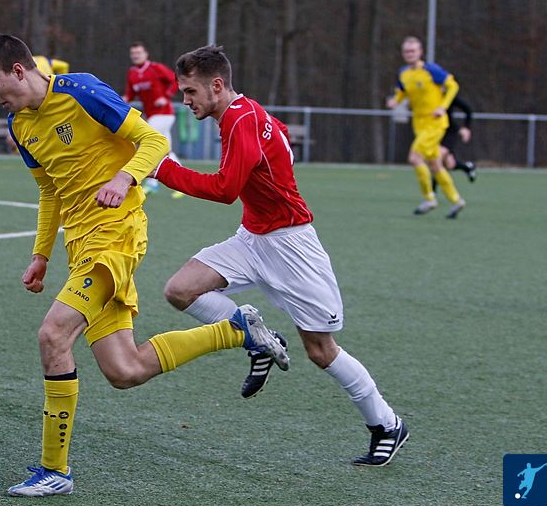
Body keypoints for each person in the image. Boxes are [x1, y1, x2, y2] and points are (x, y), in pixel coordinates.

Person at [0, 33, 289, 498]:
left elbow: (153, 140)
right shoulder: (20, 125)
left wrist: (124, 178)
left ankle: (54, 470)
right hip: (81, 245)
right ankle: (237, 330)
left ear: (18, 70)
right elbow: (49, 191)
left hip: (116, 236)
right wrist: (41, 255)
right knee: (125, 370)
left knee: (53, 335)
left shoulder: (80, 91)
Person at [153, 45, 408, 467]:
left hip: (292, 247)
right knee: (180, 290)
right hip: (253, 238)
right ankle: (255, 338)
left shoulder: (239, 119)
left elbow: (224, 190)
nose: (185, 100)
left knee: (321, 351)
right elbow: (281, 134)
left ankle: (387, 424)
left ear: (216, 86)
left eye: (190, 91)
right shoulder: (245, 112)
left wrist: (162, 169)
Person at [387, 36, 466, 219]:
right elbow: (402, 92)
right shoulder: (403, 73)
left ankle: (430, 198)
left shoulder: (431, 70)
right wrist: (395, 101)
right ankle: (456, 200)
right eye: (406, 51)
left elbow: (453, 85)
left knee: (414, 158)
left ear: (420, 52)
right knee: (435, 164)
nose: (409, 54)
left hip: (435, 123)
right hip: (419, 124)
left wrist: (443, 107)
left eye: (413, 51)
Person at [123, 42, 183, 197]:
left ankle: (152, 183)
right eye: (133, 53)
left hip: (164, 113)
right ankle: (182, 181)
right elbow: (130, 94)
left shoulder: (155, 68)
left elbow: (175, 80)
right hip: (152, 115)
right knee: (166, 150)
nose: (136, 56)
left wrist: (166, 97)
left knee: (149, 143)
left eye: (138, 53)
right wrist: (124, 99)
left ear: (146, 54)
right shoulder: (132, 73)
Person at [438, 96, 477, 182]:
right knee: (450, 164)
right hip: (434, 132)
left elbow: (468, 110)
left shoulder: (448, 96)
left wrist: (466, 128)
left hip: (448, 132)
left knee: (437, 159)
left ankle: (431, 189)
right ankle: (467, 167)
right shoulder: (428, 96)